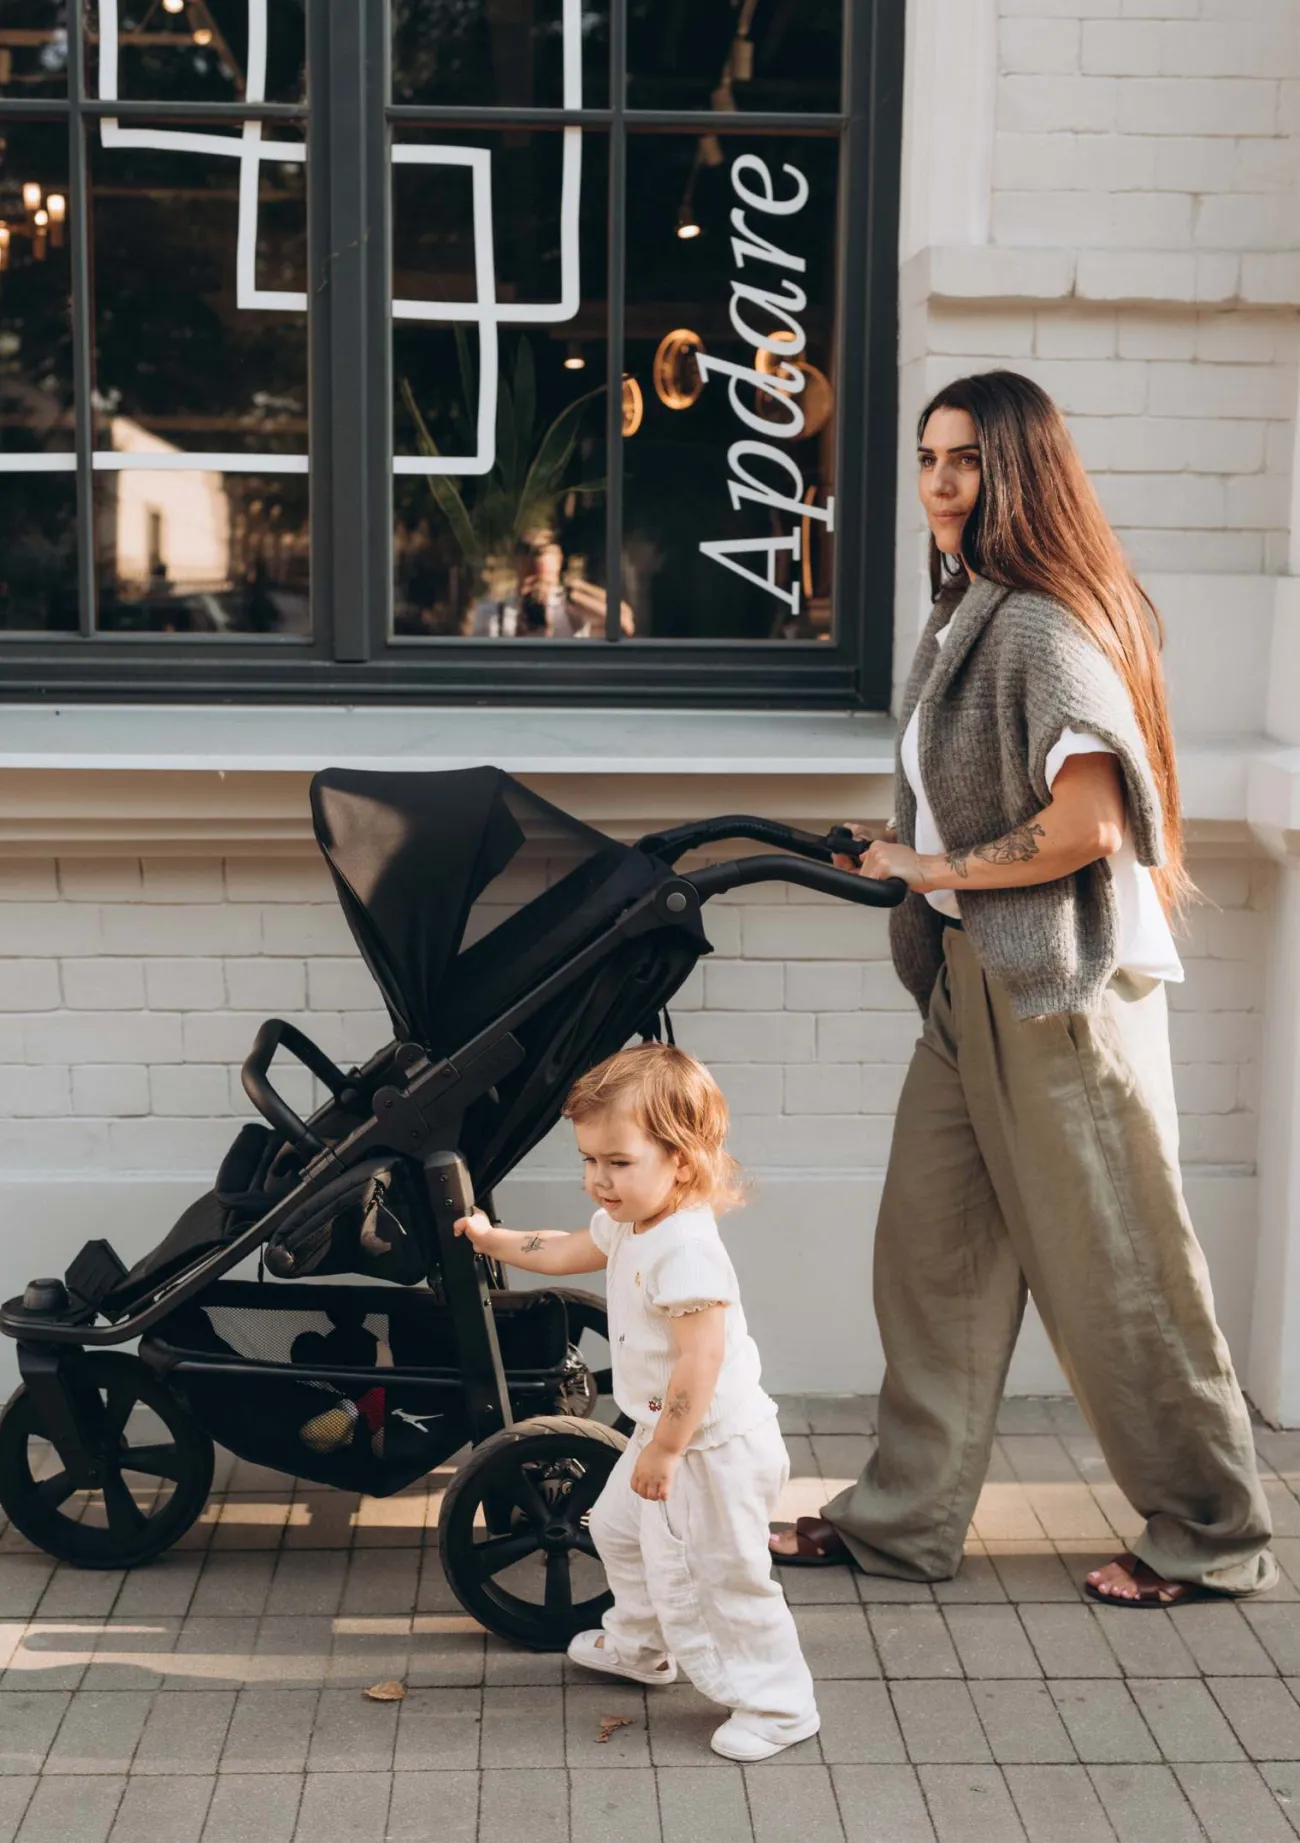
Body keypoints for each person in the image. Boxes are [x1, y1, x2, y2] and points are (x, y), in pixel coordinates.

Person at [770, 370, 1277, 1608]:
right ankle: (904, 1519)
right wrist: (903, 848)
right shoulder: (969, 611)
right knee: (931, 1253)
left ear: (1021, 473)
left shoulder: (1044, 625)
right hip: (973, 980)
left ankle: (1211, 1531)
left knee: (1119, 1271)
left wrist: (934, 867)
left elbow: (1090, 822)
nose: (940, 484)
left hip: (1060, 994)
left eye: (967, 461)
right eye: (928, 459)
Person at [455, 1041, 819, 1759]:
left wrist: (666, 1450)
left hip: (709, 1450)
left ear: (681, 1160)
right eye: (589, 1159)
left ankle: (781, 1706)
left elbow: (700, 1360)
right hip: (667, 1438)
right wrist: (494, 1240)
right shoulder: (632, 1221)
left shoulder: (686, 1250)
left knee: (727, 1577)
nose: (599, 1179)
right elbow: (566, 1248)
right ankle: (642, 1645)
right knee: (619, 1532)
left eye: (618, 1162)